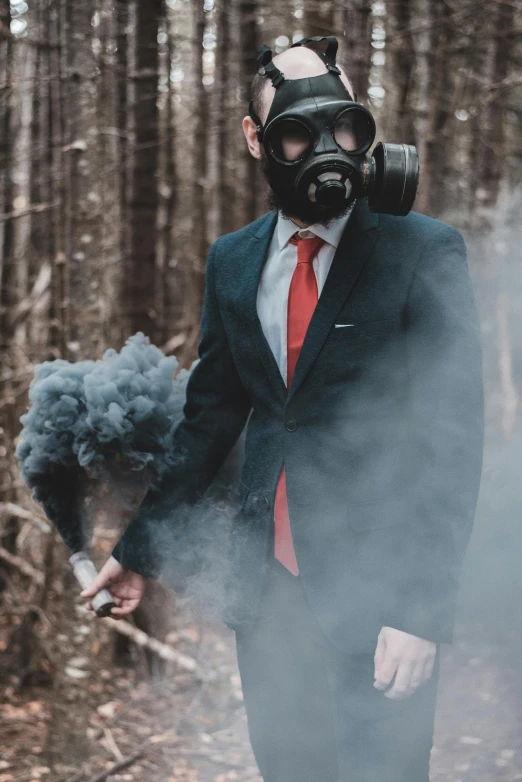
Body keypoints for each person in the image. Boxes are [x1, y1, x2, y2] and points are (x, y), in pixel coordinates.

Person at [83, 37, 484, 782]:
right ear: (254, 139)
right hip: (268, 600)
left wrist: (420, 610)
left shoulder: (421, 252)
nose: (321, 148)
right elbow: (208, 423)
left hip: (380, 595)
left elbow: (452, 439)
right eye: (295, 131)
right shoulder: (234, 261)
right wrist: (136, 553)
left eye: (339, 127)